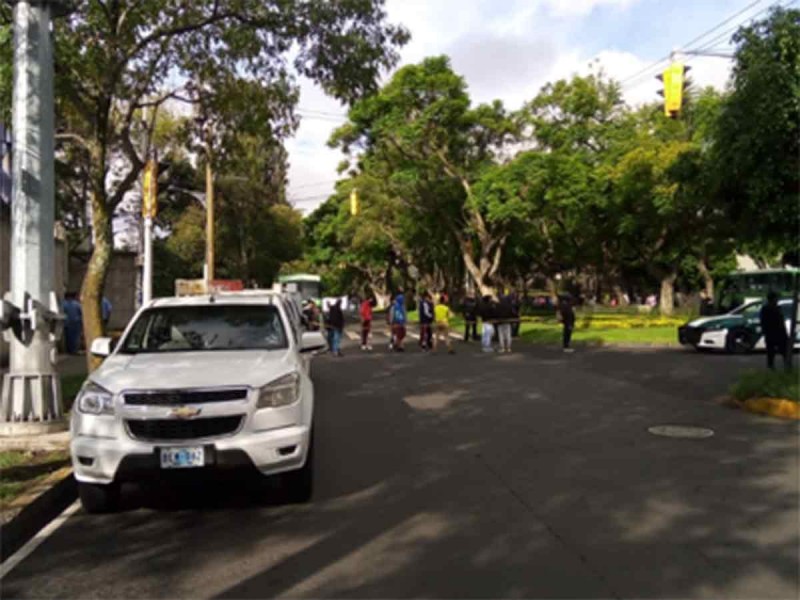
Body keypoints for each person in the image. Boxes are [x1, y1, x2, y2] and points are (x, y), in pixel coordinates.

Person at [759, 291, 788, 370]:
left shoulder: (773, 308)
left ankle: (772, 366)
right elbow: (779, 321)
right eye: (776, 298)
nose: (777, 300)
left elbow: (763, 322)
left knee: (773, 351)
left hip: (773, 333)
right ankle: (780, 365)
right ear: (773, 299)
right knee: (780, 350)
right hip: (775, 332)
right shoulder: (769, 308)